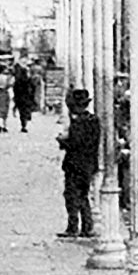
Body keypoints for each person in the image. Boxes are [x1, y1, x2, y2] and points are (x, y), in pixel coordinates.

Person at [57, 88, 100, 237]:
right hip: (88, 164)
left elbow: (76, 143)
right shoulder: (93, 120)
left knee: (72, 196)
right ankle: (87, 226)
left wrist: (62, 141)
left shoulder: (79, 123)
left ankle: (73, 226)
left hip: (76, 164)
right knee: (83, 195)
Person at [12, 61, 36, 133]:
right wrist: (32, 95)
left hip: (20, 98)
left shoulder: (18, 81)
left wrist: (15, 98)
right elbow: (33, 87)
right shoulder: (29, 80)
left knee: (21, 112)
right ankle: (26, 122)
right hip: (27, 97)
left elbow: (15, 89)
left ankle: (23, 125)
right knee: (27, 110)